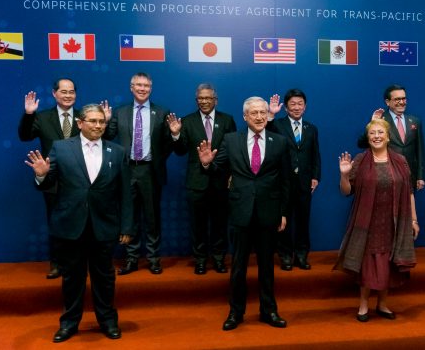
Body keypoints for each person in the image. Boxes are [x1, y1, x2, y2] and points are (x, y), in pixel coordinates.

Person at [24, 104, 133, 343]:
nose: (97, 125)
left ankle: (108, 321)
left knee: (104, 278)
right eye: (92, 121)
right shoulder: (61, 149)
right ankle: (69, 323)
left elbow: (126, 193)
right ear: (80, 123)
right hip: (70, 226)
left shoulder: (117, 151)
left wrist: (126, 227)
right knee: (72, 278)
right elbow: (47, 183)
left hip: (104, 226)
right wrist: (41, 173)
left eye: (101, 122)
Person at [197, 97, 291, 331]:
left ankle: (269, 310)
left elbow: (286, 181)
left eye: (262, 112)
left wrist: (283, 212)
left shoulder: (279, 142)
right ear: (245, 117)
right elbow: (216, 167)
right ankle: (235, 312)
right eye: (254, 113)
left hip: (269, 213)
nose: (259, 117)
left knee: (267, 266)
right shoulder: (231, 140)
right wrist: (207, 164)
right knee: (238, 267)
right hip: (240, 212)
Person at [336, 118, 418, 322]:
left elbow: (409, 193)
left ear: (388, 136)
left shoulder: (400, 160)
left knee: (389, 263)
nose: (377, 136)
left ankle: (382, 304)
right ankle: (363, 305)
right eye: (372, 133)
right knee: (368, 264)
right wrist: (344, 176)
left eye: (380, 132)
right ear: (368, 138)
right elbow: (346, 191)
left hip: (394, 222)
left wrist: (414, 220)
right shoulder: (360, 160)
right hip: (368, 222)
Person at [103, 72, 172, 275]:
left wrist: (157, 159)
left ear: (151, 88)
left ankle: (153, 258)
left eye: (146, 86)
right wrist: (106, 121)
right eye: (138, 85)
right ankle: (131, 259)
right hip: (126, 170)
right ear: (131, 87)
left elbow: (168, 143)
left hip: (150, 170)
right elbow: (107, 137)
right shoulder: (120, 112)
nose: (142, 89)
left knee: (152, 217)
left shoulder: (161, 112)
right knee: (129, 216)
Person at [170, 83, 237, 275]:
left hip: (220, 181)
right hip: (196, 182)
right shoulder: (187, 121)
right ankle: (200, 260)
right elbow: (180, 150)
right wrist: (175, 134)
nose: (204, 101)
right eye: (201, 98)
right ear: (196, 100)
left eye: (208, 98)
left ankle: (218, 259)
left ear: (215, 100)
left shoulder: (227, 120)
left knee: (220, 223)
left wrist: (232, 175)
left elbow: (233, 150)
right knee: (197, 224)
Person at [18, 78, 79, 279]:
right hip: (53, 180)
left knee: (80, 223)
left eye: (71, 92)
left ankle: (78, 263)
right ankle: (56, 263)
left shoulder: (83, 118)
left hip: (81, 181)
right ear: (54, 94)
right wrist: (29, 114)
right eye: (63, 91)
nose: (68, 95)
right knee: (56, 223)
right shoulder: (42, 118)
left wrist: (104, 121)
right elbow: (25, 136)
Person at [267, 90, 321, 271]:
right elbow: (264, 133)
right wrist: (270, 115)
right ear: (286, 107)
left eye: (300, 104)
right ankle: (285, 256)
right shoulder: (277, 125)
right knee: (284, 221)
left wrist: (315, 176)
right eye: (293, 104)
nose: (297, 107)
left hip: (305, 183)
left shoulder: (311, 128)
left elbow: (315, 155)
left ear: (305, 107)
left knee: (303, 221)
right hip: (282, 182)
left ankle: (301, 255)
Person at [357, 84, 425, 191]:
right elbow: (361, 144)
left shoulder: (415, 121)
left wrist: (421, 176)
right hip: (386, 176)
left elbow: (420, 151)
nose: (402, 102)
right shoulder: (380, 120)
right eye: (397, 99)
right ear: (387, 102)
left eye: (404, 98)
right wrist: (373, 123)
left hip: (409, 177)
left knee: (408, 206)